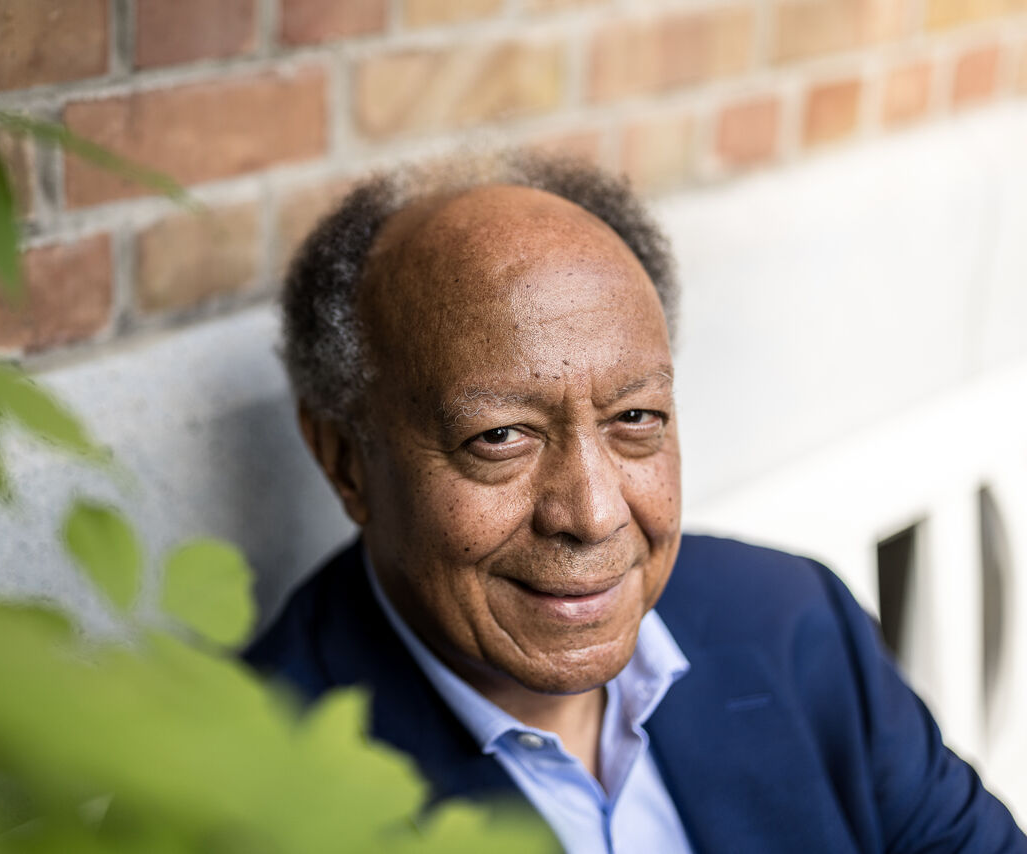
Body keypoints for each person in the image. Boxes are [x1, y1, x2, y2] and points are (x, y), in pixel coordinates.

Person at [245, 154, 1027, 853]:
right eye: (501, 437)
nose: (593, 515)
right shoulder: (250, 797)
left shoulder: (790, 620)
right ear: (345, 460)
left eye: (634, 419)